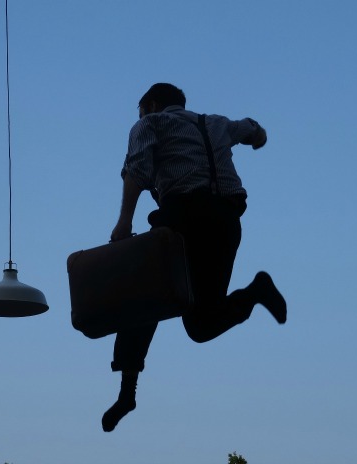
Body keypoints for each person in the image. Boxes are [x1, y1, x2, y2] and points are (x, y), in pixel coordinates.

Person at [102, 83, 287, 432]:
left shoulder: (150, 123)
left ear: (151, 105)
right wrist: (259, 137)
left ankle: (127, 393)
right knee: (202, 325)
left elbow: (137, 169)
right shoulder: (215, 123)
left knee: (142, 301)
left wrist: (123, 222)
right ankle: (257, 291)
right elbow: (252, 129)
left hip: (181, 222)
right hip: (224, 224)